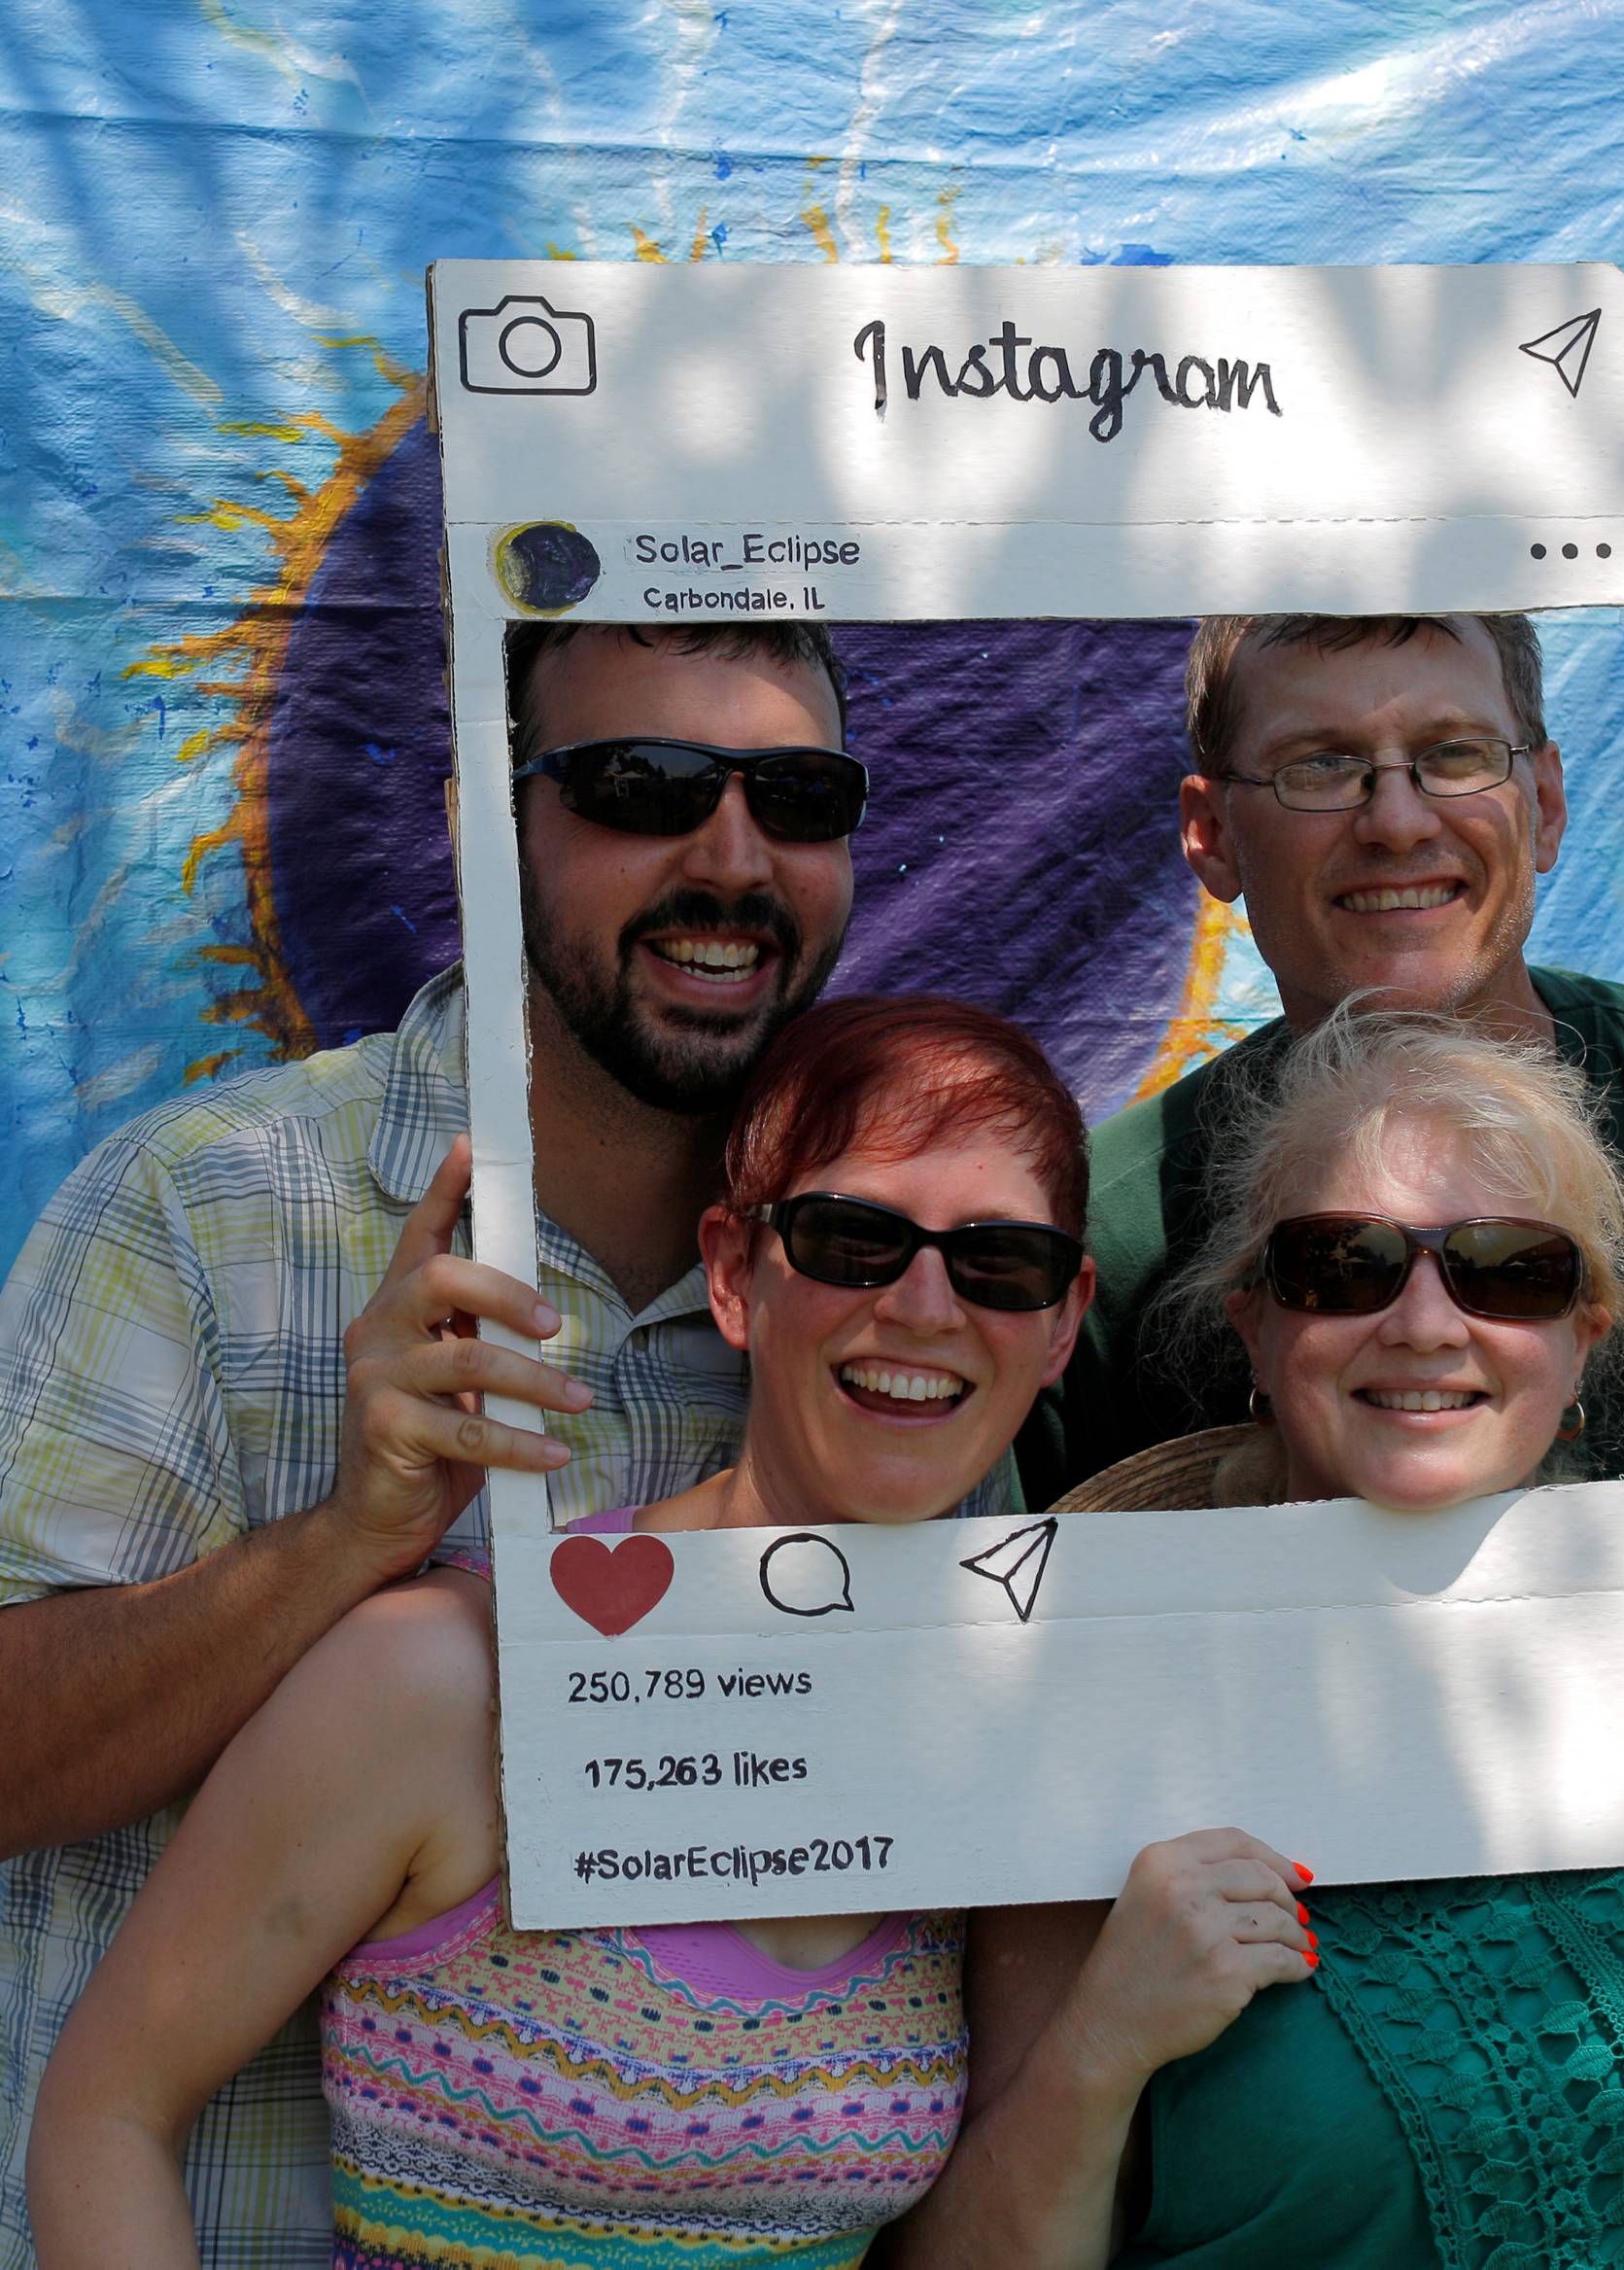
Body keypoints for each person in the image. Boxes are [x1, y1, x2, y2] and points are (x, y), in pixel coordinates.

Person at [0, 619, 989, 2264]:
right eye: (643, 785)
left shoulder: (892, 1310)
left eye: (799, 797)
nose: (732, 858)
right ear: (484, 818)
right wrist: (340, 1549)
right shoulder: (206, 1207)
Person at [25, 995, 1095, 2267]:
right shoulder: (445, 1681)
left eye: (999, 1260)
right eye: (852, 1238)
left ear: (1065, 1317)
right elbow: (104, 2112)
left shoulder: (1020, 1720)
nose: (925, 1302)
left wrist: (1121, 2029)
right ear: (734, 1273)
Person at [891, 1011, 1624, 2270]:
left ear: (1585, 1335)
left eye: (1507, 1266)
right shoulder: (1082, 1685)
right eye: (1343, 1264)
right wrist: (1101, 2042)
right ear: (1253, 1323)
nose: (1421, 1321)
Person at [1019, 611, 1624, 1771]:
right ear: (1211, 832)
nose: (1398, 818)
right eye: (1322, 766)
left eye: (1457, 754)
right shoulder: (1086, 1249)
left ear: (1548, 802)